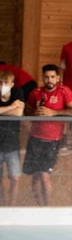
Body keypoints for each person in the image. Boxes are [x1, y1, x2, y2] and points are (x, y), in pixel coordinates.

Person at [23, 64, 72, 206]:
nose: (49, 80)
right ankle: (39, 207)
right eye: (46, 77)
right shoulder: (36, 92)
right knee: (35, 176)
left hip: (52, 140)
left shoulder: (64, 91)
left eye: (52, 77)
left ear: (58, 78)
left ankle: (47, 208)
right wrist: (33, 114)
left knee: (44, 175)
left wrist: (53, 113)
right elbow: (27, 109)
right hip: (34, 138)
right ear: (43, 78)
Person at [0, 69, 25, 206]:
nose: (2, 85)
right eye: (0, 82)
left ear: (12, 84)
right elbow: (14, 110)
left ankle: (11, 206)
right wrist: (11, 107)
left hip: (12, 144)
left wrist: (5, 110)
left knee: (15, 177)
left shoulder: (18, 92)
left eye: (6, 83)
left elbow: (19, 113)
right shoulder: (13, 101)